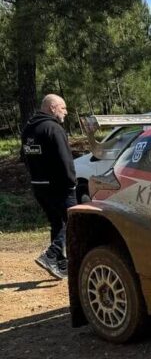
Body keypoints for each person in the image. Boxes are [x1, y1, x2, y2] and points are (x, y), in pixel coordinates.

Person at [21, 94, 76, 280]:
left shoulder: (28, 129)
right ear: (52, 108)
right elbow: (65, 159)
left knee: (56, 222)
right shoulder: (53, 128)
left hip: (39, 187)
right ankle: (51, 254)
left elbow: (24, 157)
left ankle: (59, 264)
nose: (66, 112)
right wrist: (72, 183)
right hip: (59, 187)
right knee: (73, 222)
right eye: (63, 108)